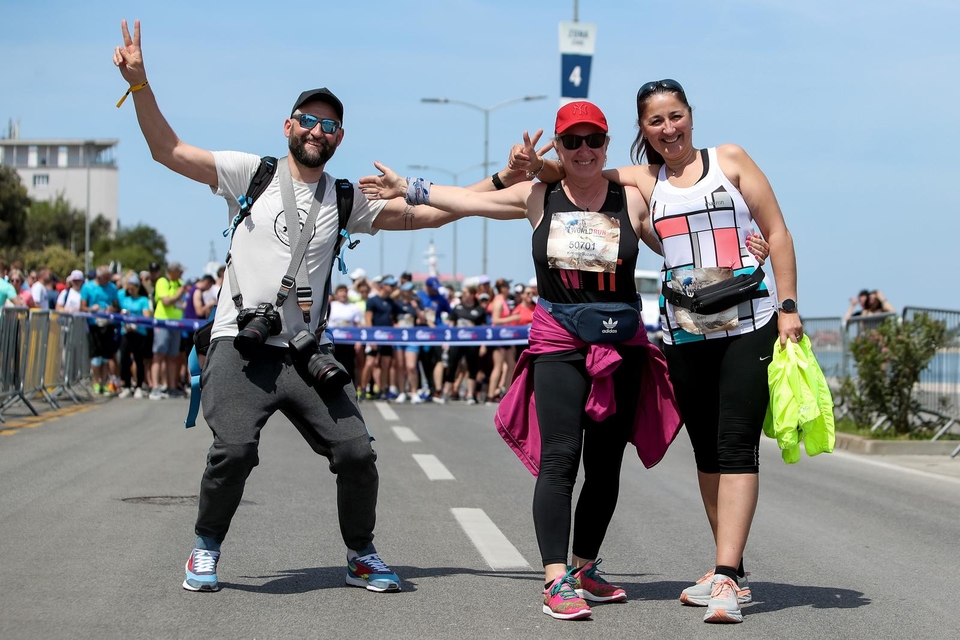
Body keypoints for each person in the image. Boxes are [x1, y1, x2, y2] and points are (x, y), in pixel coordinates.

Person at [113, 18, 503, 595]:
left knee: (355, 451)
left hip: (304, 352)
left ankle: (361, 554)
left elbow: (430, 213)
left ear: (340, 137)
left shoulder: (344, 197)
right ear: (289, 126)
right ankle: (206, 547)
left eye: (331, 124)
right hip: (239, 346)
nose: (319, 130)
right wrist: (141, 85)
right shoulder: (254, 173)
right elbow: (167, 150)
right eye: (310, 120)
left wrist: (500, 179)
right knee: (235, 449)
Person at [361, 102, 695, 621]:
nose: (584, 150)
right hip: (559, 341)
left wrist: (743, 255)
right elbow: (466, 203)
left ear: (607, 145)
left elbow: (681, 247)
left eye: (594, 140)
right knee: (562, 457)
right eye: (573, 141)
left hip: (621, 345)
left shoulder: (631, 198)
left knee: (605, 469)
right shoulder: (539, 195)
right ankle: (554, 577)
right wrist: (410, 187)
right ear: (558, 148)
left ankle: (585, 567)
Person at [520, 81, 795, 623]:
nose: (669, 128)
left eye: (676, 116)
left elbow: (778, 231)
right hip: (685, 329)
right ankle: (725, 569)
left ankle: (727, 575)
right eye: (656, 121)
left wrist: (788, 306)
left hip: (748, 320)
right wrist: (528, 166)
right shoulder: (644, 179)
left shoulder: (730, 160)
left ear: (691, 116)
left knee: (736, 445)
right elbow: (576, 173)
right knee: (707, 453)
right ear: (642, 131)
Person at [440, 284, 487, 404]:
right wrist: (447, 341)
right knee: (452, 366)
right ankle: (446, 393)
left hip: (472, 343)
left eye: (466, 293)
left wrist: (483, 345)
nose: (463, 295)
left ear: (472, 295)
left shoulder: (479, 310)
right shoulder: (457, 308)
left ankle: (470, 394)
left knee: (472, 367)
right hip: (457, 342)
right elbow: (451, 324)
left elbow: (483, 329)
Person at [80, 265, 121, 394]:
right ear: (99, 277)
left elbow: (116, 305)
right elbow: (82, 307)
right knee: (95, 356)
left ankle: (104, 382)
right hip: (94, 326)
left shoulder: (112, 288)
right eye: (106, 278)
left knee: (106, 356)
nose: (108, 280)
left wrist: (112, 309)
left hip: (108, 325)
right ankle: (96, 382)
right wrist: (92, 309)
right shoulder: (87, 287)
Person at [150, 262, 188, 400]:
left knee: (173, 357)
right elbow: (166, 301)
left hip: (176, 324)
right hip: (162, 322)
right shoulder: (162, 281)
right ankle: (155, 387)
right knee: (159, 355)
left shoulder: (179, 282)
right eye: (180, 271)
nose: (182, 274)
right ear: (172, 271)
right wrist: (179, 293)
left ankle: (171, 387)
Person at [117, 273, 153, 398]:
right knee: (124, 359)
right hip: (126, 332)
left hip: (139, 332)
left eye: (133, 287)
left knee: (139, 360)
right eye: (129, 287)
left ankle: (139, 385)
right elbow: (119, 293)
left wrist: (137, 319)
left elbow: (147, 315)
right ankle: (126, 385)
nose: (130, 290)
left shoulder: (143, 300)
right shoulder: (123, 298)